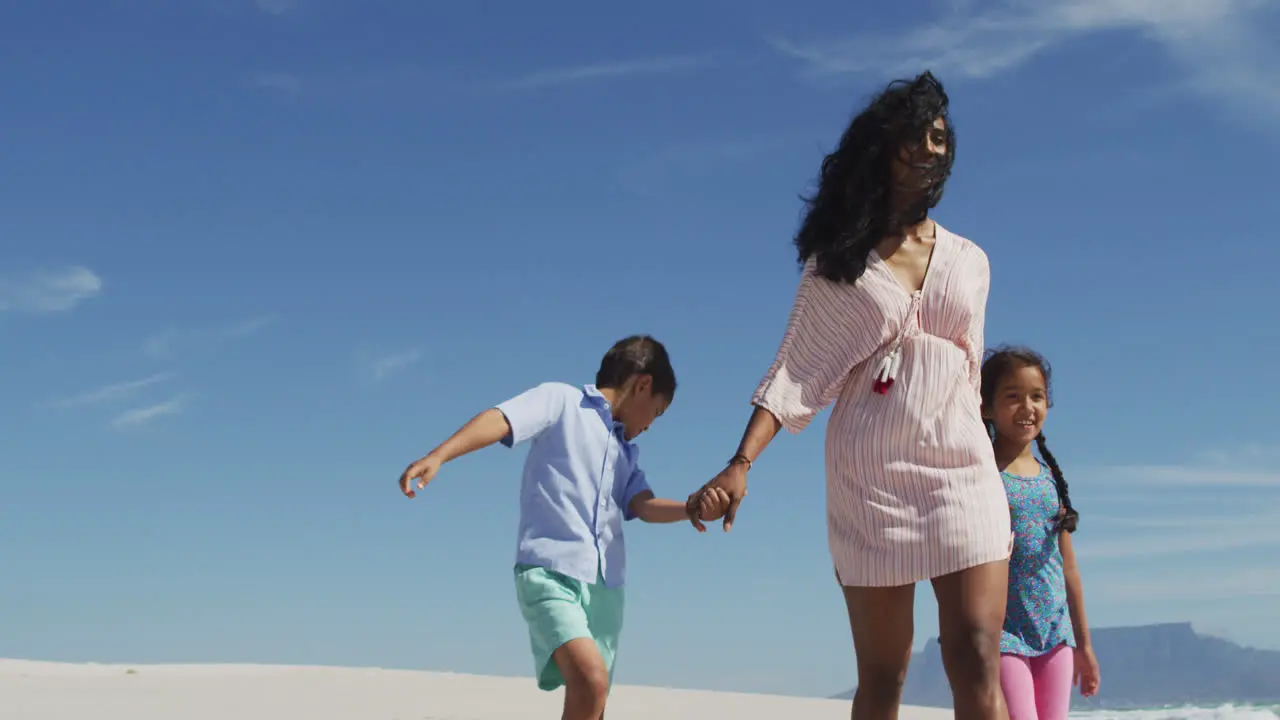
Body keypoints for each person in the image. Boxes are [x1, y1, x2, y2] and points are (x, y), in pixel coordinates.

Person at [686, 71, 1012, 720]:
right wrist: (740, 463)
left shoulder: (970, 259)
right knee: (884, 677)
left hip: (962, 472)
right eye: (917, 135)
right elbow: (795, 373)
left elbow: (970, 376)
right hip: (872, 477)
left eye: (941, 137)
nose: (931, 148)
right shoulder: (839, 264)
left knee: (975, 653)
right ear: (883, 147)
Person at [398, 335, 727, 720]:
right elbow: (502, 419)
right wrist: (440, 455)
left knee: (594, 700)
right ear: (643, 385)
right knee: (591, 680)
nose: (650, 426)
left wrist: (690, 508)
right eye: (656, 413)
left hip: (607, 593)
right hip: (549, 573)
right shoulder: (562, 401)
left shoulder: (626, 453)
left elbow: (642, 505)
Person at [980, 347, 1101, 720]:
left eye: (1037, 396)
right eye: (1012, 396)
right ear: (986, 407)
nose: (1027, 407)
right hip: (1004, 634)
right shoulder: (983, 473)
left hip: (1054, 632)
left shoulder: (1052, 481)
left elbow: (1069, 569)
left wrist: (1084, 644)